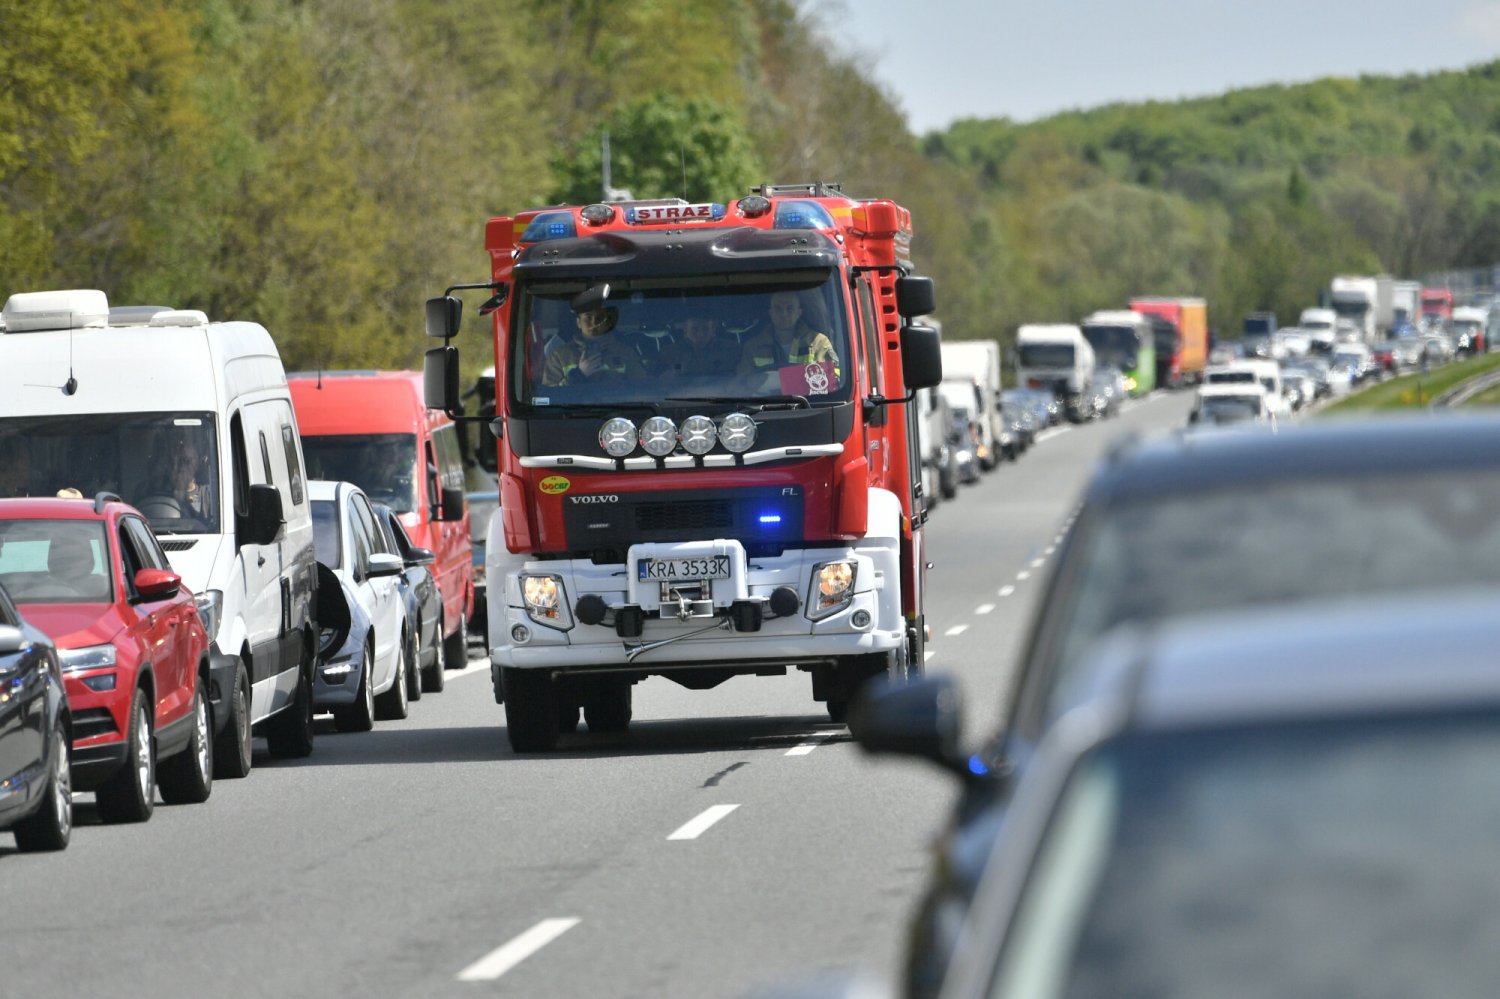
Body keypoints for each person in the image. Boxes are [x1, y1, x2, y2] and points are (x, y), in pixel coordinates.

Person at [737, 291, 838, 377]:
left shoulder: (819, 342)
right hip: (766, 400)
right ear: (770, 313)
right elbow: (742, 385)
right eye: (778, 309)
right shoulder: (752, 347)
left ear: (799, 313)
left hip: (810, 400)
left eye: (790, 309)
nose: (784, 314)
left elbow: (833, 378)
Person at [541, 306, 646, 386]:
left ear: (608, 323)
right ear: (578, 323)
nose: (594, 322)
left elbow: (641, 389)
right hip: (572, 414)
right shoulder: (559, 356)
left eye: (600, 318)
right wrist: (579, 374)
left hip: (616, 413)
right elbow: (549, 397)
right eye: (588, 317)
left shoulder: (625, 353)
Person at [138, 438, 209, 522]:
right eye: (172, 462)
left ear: (197, 464)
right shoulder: (149, 492)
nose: (178, 467)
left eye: (185, 461)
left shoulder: (208, 494)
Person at [661, 312, 742, 378]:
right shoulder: (670, 353)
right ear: (685, 331)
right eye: (694, 329)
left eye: (705, 329)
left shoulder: (731, 350)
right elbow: (656, 382)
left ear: (713, 330)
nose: (701, 334)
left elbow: (743, 377)